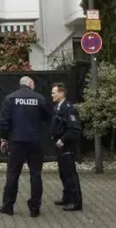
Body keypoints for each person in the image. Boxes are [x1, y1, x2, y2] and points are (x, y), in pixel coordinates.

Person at [0, 76, 51, 218]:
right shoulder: (39, 99)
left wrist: (4, 138)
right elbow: (47, 117)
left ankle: (8, 206)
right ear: (30, 84)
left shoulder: (10, 98)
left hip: (17, 141)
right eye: (33, 84)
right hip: (35, 141)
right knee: (36, 174)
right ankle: (35, 208)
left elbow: (4, 121)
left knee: (13, 174)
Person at [50, 82, 83, 211]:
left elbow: (75, 129)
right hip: (60, 147)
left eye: (54, 92)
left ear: (61, 93)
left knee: (70, 174)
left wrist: (63, 140)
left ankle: (76, 202)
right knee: (63, 173)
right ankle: (67, 197)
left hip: (67, 146)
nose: (51, 94)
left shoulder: (69, 109)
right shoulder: (58, 107)